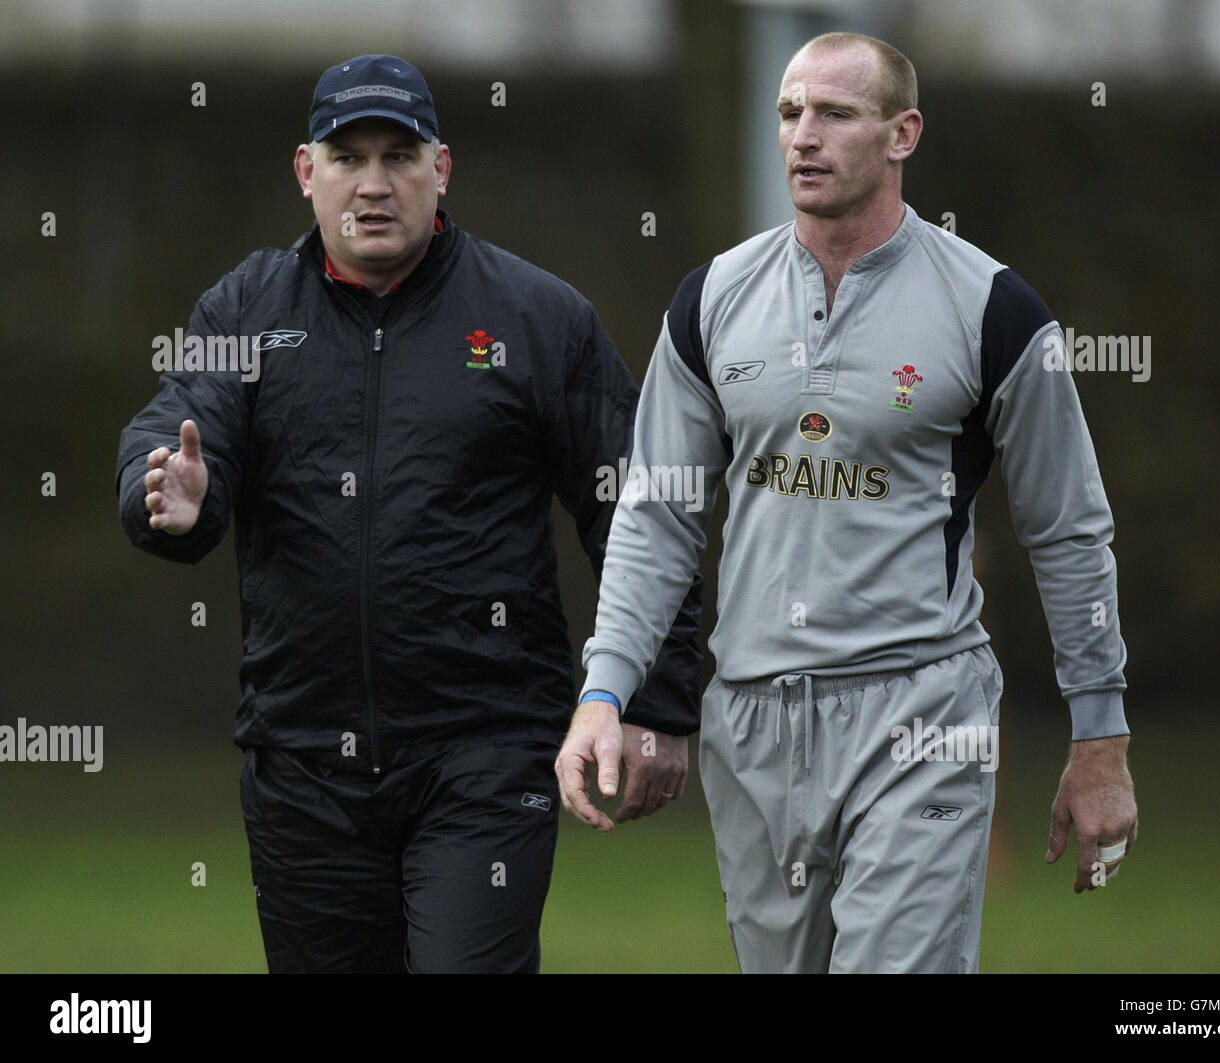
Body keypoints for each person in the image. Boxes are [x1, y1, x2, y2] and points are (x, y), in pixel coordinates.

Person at [556, 32, 1138, 974]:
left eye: (835, 113)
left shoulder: (994, 311)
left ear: (902, 133)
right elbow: (657, 515)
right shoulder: (710, 301)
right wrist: (604, 689)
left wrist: (1100, 737)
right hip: (753, 719)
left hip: (923, 704)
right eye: (789, 113)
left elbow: (1068, 529)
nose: (803, 137)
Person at [115, 54, 700, 974]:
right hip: (303, 765)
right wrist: (168, 500)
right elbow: (179, 431)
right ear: (307, 173)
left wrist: (656, 699)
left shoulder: (537, 318)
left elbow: (644, 510)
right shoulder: (247, 308)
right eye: (349, 157)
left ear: (443, 170)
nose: (375, 184)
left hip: (486, 759)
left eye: (400, 155)